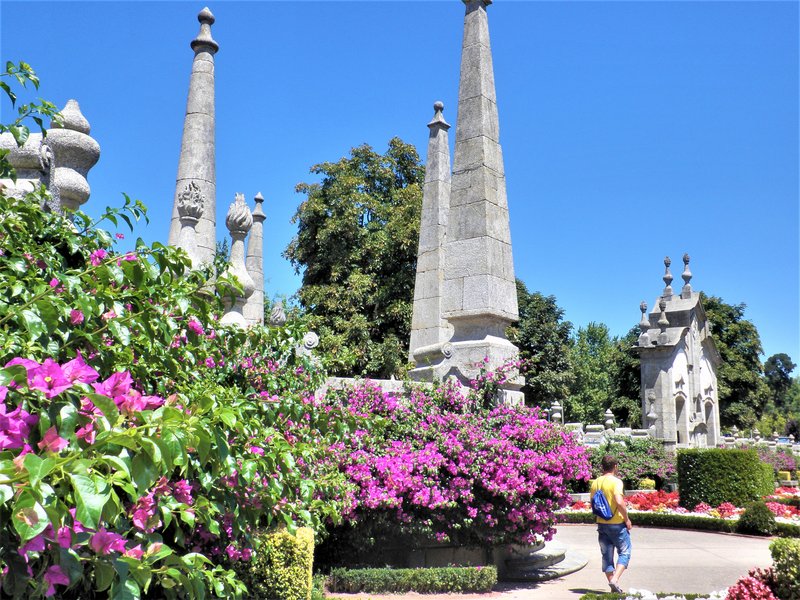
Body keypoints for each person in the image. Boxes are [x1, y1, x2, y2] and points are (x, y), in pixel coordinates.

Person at [590, 455, 632, 593]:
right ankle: (615, 580)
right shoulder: (616, 482)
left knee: (606, 557)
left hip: (602, 524)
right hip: (617, 524)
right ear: (615, 466)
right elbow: (619, 502)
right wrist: (626, 519)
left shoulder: (595, 483)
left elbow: (593, 504)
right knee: (625, 552)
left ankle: (613, 586)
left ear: (602, 467)